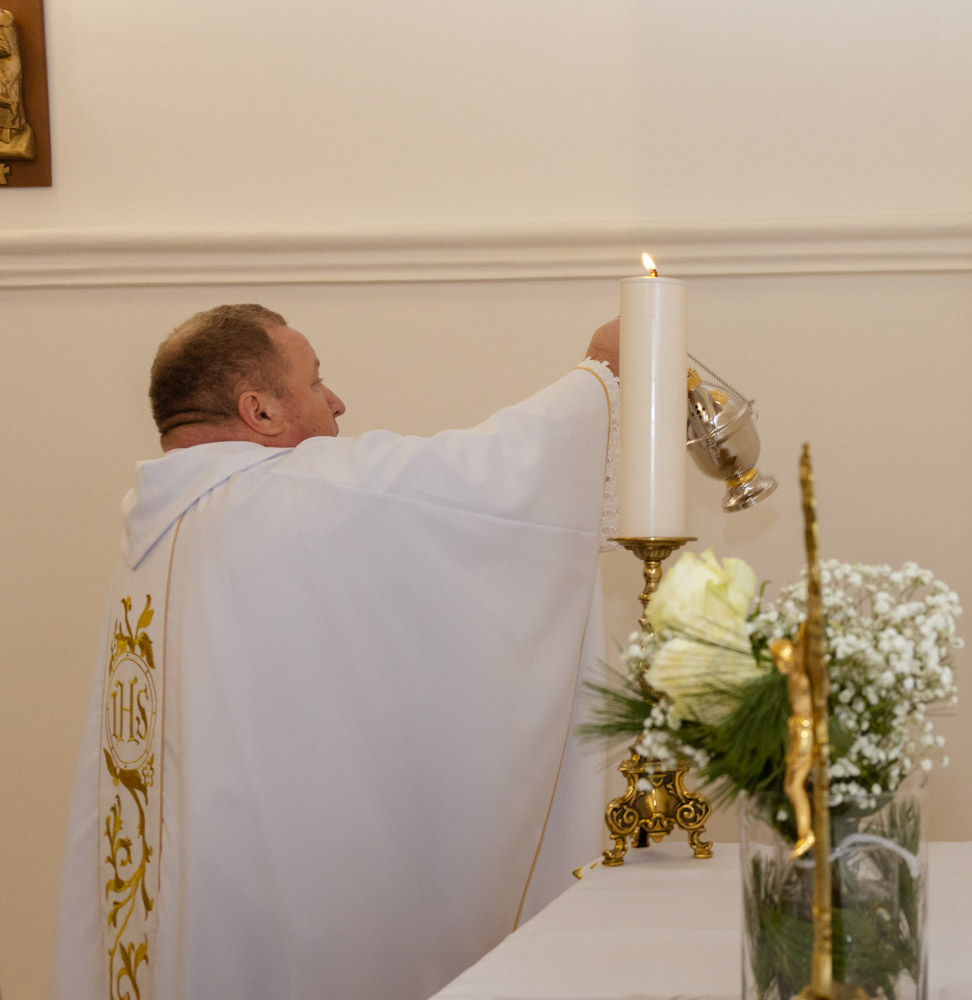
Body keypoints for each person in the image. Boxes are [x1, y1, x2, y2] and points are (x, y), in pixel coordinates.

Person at [51, 304, 621, 1000]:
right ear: (260, 410)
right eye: (316, 380)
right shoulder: (285, 494)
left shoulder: (165, 520)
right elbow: (482, 480)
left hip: (204, 895)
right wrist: (600, 377)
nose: (336, 400)